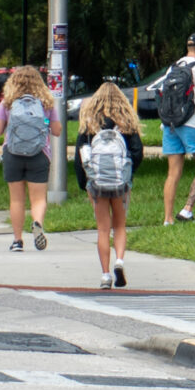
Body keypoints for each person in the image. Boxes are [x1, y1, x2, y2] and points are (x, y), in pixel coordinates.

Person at [75, 82, 144, 289]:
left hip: (96, 183)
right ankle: (120, 261)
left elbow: (80, 157)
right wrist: (128, 175)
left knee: (103, 229)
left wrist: (83, 183)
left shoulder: (89, 123)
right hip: (120, 182)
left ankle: (105, 275)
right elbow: (138, 152)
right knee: (120, 225)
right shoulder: (127, 122)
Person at [0, 65, 62, 253]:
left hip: (13, 154)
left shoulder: (7, 103)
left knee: (16, 200)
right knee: (38, 199)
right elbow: (57, 131)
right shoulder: (46, 103)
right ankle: (37, 222)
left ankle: (17, 241)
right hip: (39, 154)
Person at [158, 32, 195, 224]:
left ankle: (167, 219)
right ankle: (187, 210)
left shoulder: (173, 67)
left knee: (173, 173)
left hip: (170, 125)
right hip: (192, 124)